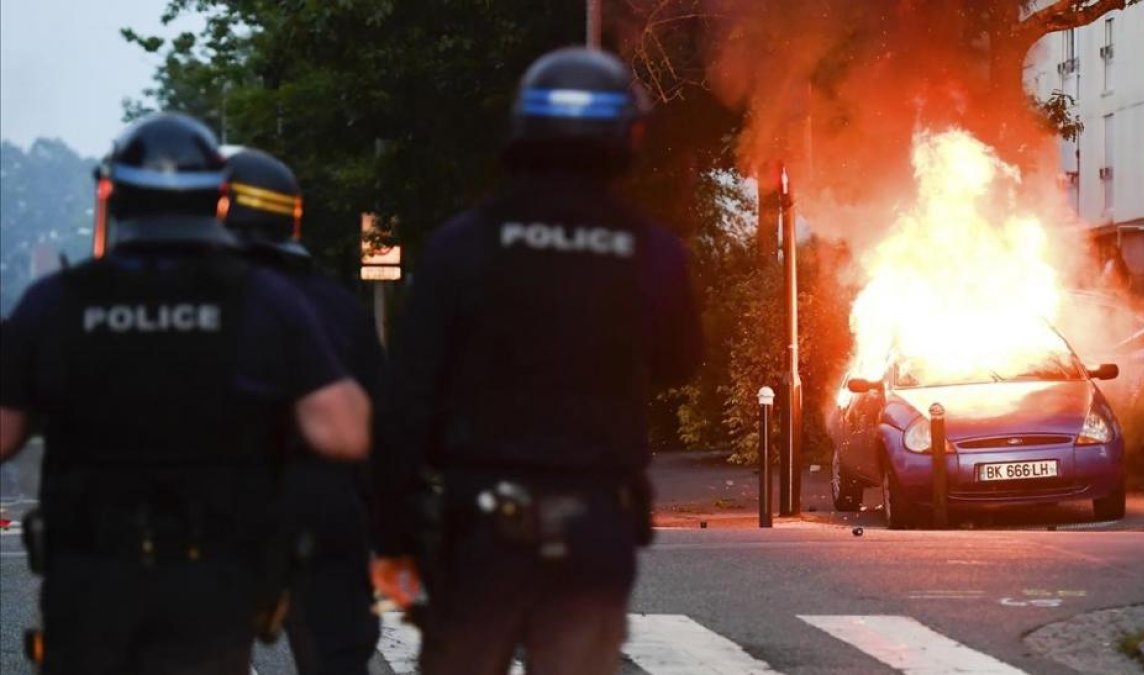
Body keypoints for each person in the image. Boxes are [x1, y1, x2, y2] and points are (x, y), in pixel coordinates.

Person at [0, 113, 371, 675]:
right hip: (211, 581)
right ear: (217, 202)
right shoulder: (264, 300)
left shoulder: (56, 302)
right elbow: (344, 432)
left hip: (90, 578)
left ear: (114, 197)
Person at [370, 47, 703, 675]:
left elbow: (405, 402)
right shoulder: (650, 250)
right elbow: (682, 361)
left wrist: (393, 536)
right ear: (625, 135)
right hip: (594, 526)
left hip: (480, 529)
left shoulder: (462, 244)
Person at [220, 147, 383, 675]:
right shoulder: (337, 305)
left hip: (218, 518)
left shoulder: (187, 304)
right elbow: (381, 425)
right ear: (290, 216)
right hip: (323, 515)